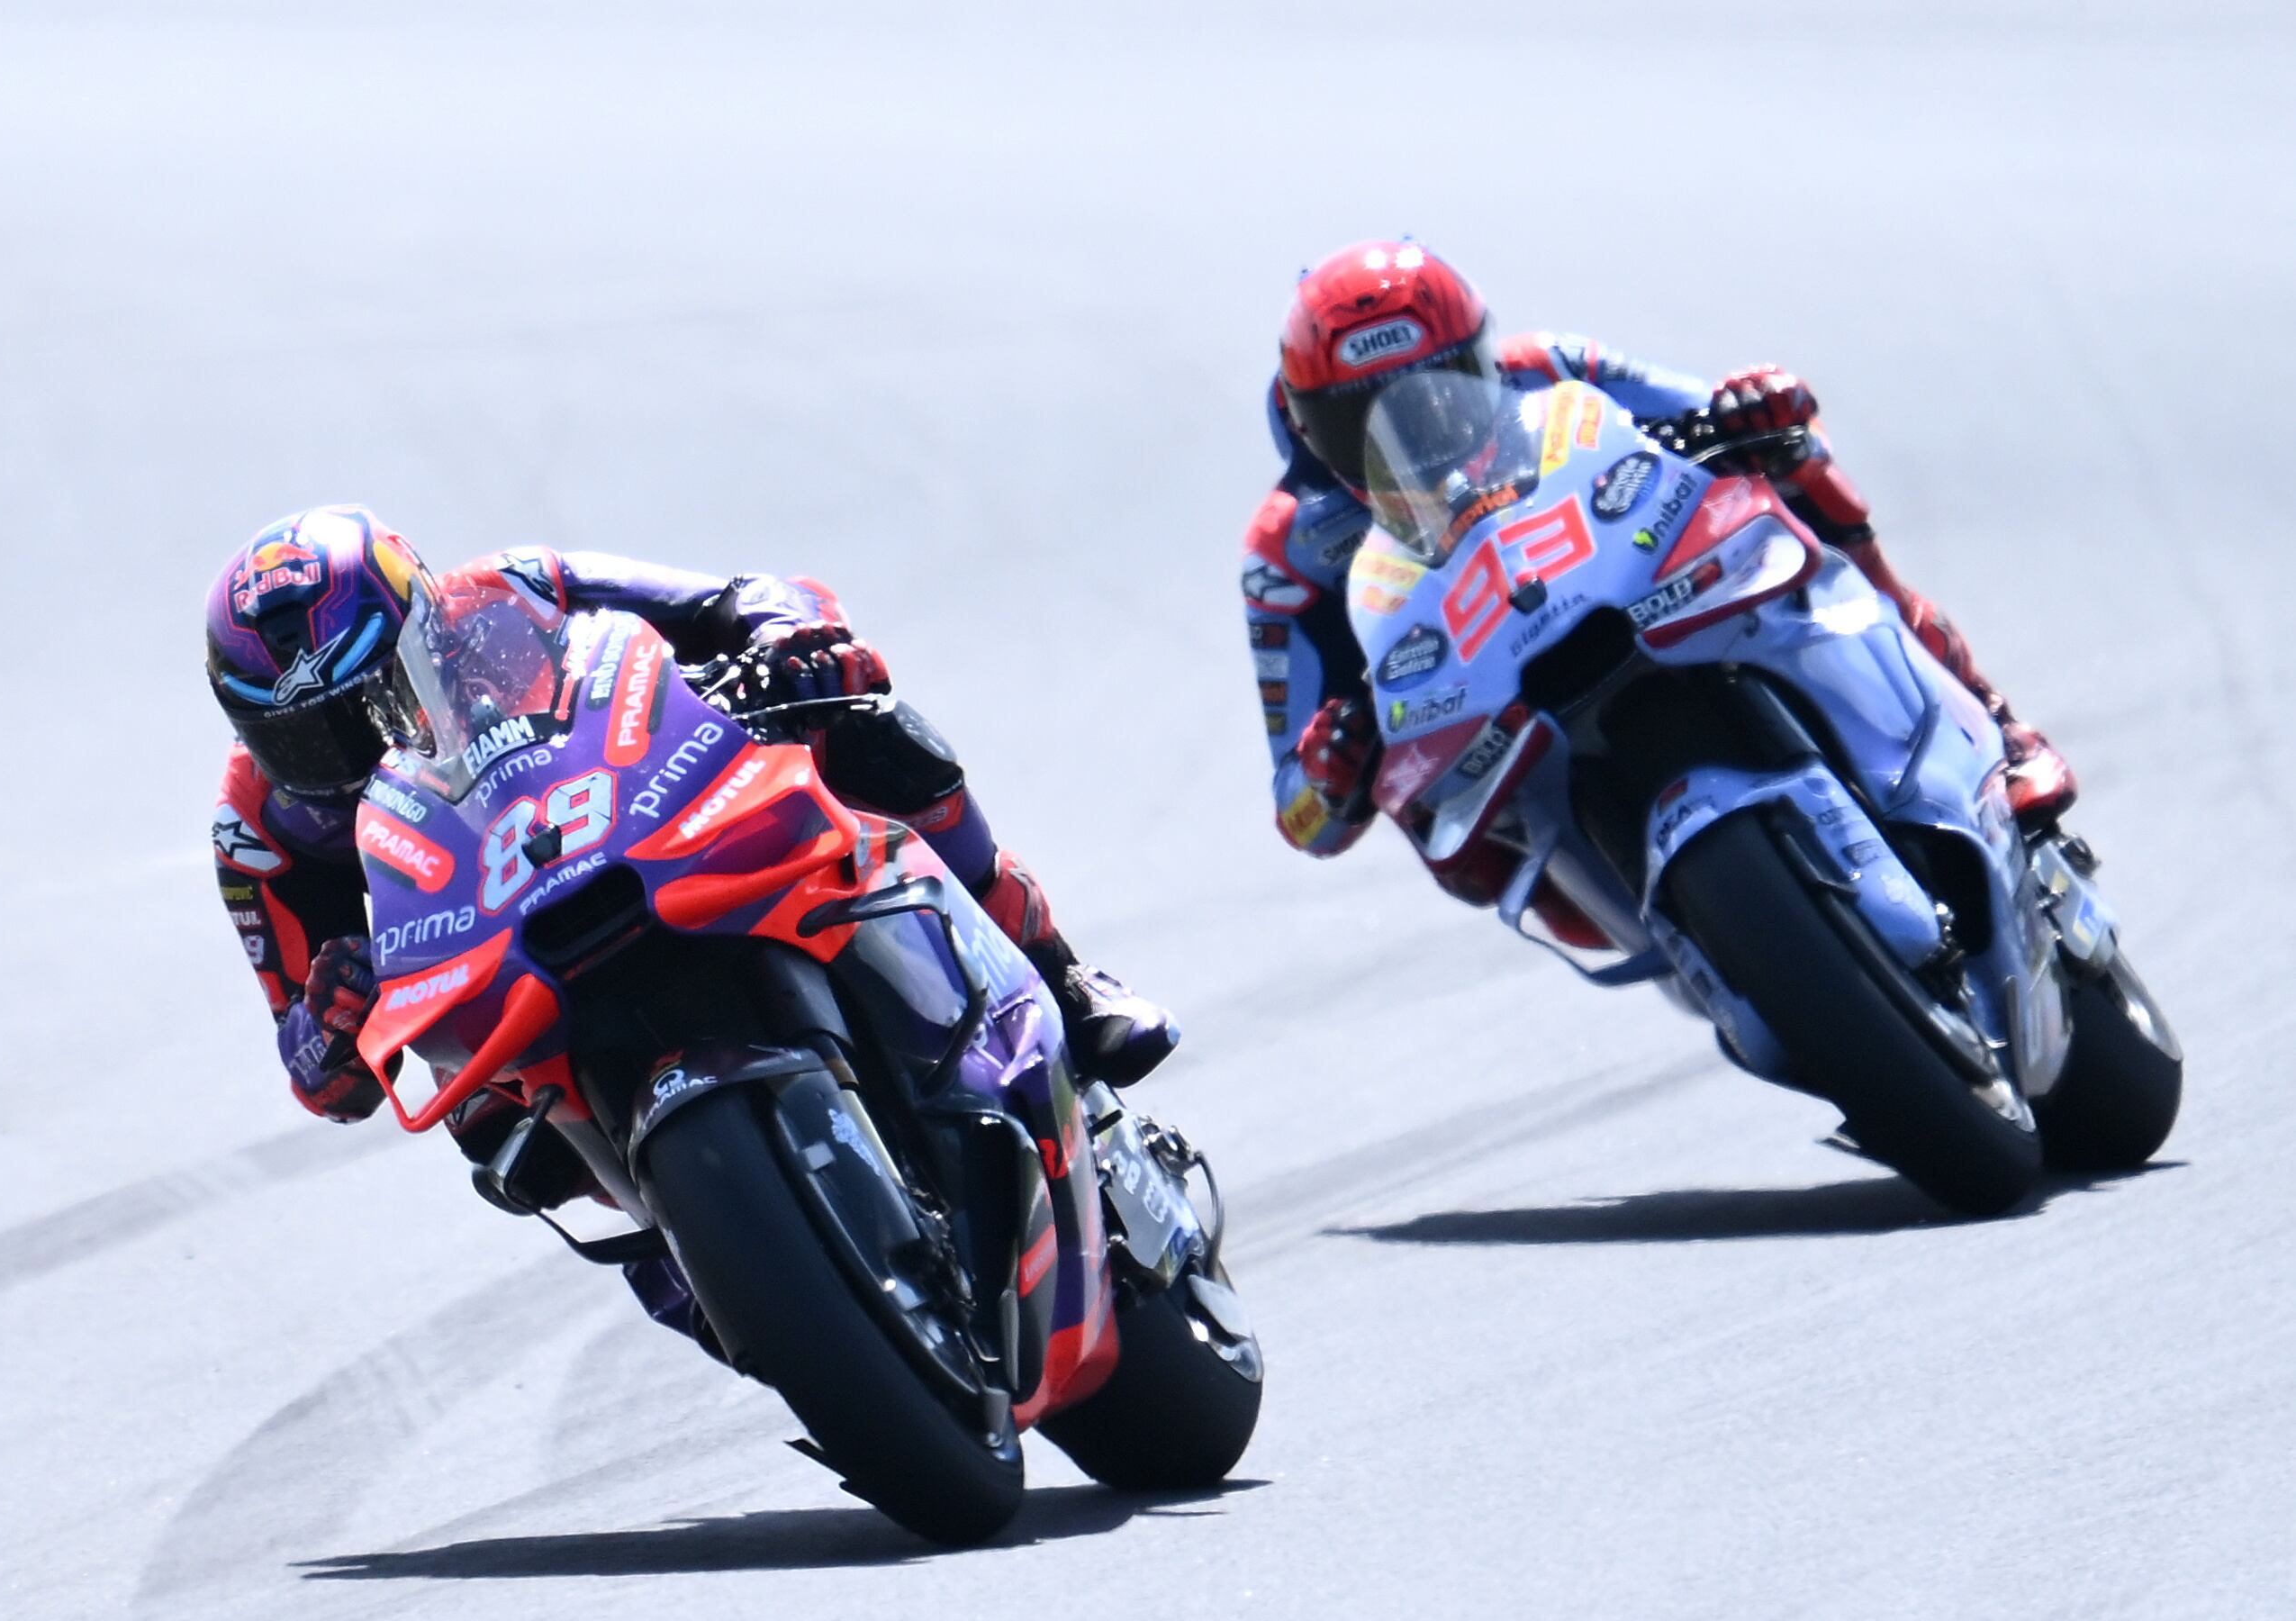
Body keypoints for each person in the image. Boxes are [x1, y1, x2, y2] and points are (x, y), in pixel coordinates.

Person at [206, 505, 1176, 1133]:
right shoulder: (257, 831)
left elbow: (731, 597)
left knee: (873, 730)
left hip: (644, 821)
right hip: (493, 962)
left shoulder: (510, 590)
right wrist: (328, 1027)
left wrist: (791, 638)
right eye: (307, 738)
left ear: (422, 625)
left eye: (368, 701)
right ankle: (691, 1263)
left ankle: (1060, 977)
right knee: (496, 1137)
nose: (348, 754)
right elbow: (321, 1081)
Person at [1248, 238, 2077, 896]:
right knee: (1435, 827)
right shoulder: (1286, 552)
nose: (1418, 433)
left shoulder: (1553, 367)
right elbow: (1299, 812)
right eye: (1362, 420)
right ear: (1307, 425)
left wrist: (1759, 411)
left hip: (1635, 587)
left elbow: (1726, 417)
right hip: (1482, 716)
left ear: (1484, 363)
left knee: (1797, 471)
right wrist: (1329, 768)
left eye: (1441, 389)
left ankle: (1994, 722)